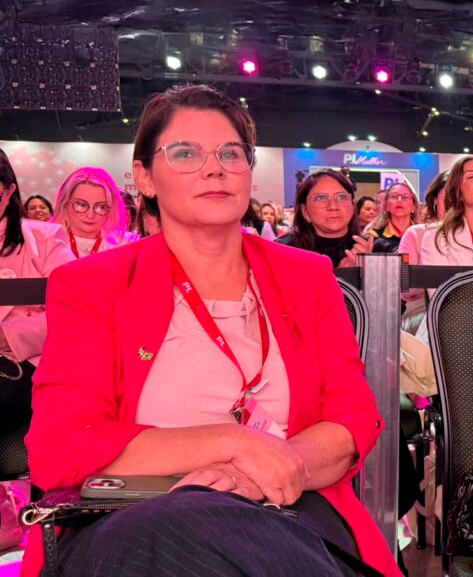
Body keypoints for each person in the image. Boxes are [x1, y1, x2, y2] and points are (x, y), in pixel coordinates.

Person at [24, 84, 398, 577]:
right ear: (145, 178)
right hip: (135, 519)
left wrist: (276, 469)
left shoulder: (305, 276)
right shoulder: (92, 283)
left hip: (288, 510)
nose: (213, 167)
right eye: (184, 153)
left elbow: (354, 419)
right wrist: (233, 442)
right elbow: (59, 448)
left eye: (231, 153)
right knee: (176, 533)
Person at [0, 148, 75, 438]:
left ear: (8, 192)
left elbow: (74, 309)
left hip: (24, 363)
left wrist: (9, 335)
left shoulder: (44, 239)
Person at [276, 170, 374, 267]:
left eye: (341, 197)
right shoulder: (282, 250)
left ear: (353, 206)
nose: (333, 207)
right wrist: (344, 274)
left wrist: (370, 268)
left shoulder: (375, 248)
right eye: (321, 198)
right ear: (304, 211)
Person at [397, 171, 447, 333]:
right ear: (434, 201)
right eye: (449, 199)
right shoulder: (416, 233)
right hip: (421, 309)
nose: (456, 205)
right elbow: (404, 288)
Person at [51, 166, 135, 257]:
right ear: (64, 204)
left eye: (101, 207)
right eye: (81, 205)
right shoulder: (47, 243)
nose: (90, 215)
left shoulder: (127, 245)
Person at [365, 181, 418, 254]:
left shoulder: (422, 234)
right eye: (394, 196)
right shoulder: (374, 236)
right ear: (386, 206)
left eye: (405, 197)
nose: (399, 200)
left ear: (413, 207)